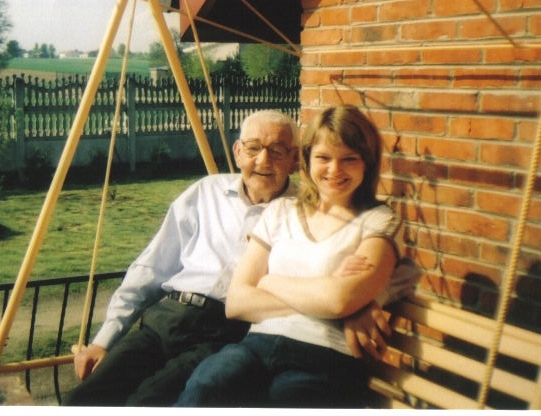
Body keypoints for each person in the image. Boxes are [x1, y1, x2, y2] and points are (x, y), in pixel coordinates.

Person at [63, 109, 409, 406]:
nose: (263, 161)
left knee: (147, 402)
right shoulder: (209, 193)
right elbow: (152, 268)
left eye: (277, 151)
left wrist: (361, 299)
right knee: (87, 399)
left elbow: (386, 276)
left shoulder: (299, 209)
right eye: (254, 149)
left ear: (293, 159)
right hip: (169, 317)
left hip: (225, 333)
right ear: (238, 151)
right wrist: (103, 338)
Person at [174, 105, 400, 408]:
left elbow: (339, 300)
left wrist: (268, 280)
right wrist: (325, 288)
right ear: (306, 159)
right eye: (323, 157)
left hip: (326, 357)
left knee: (287, 399)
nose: (334, 170)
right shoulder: (281, 211)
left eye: (349, 159)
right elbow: (238, 302)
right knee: (207, 385)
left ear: (367, 164)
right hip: (254, 347)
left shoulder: (379, 220)